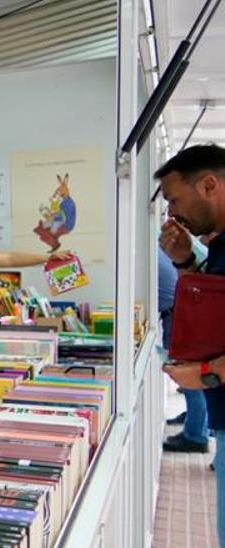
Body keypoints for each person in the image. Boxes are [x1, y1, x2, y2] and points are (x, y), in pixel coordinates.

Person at [155, 144, 225, 545]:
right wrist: (184, 261)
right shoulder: (217, 244)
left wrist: (206, 373)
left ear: (209, 185)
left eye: (174, 199)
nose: (171, 214)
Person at [159, 249, 210, 452]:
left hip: (177, 314)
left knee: (186, 374)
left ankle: (196, 435)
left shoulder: (145, 252)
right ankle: (195, 422)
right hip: (179, 311)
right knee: (189, 373)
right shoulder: (158, 249)